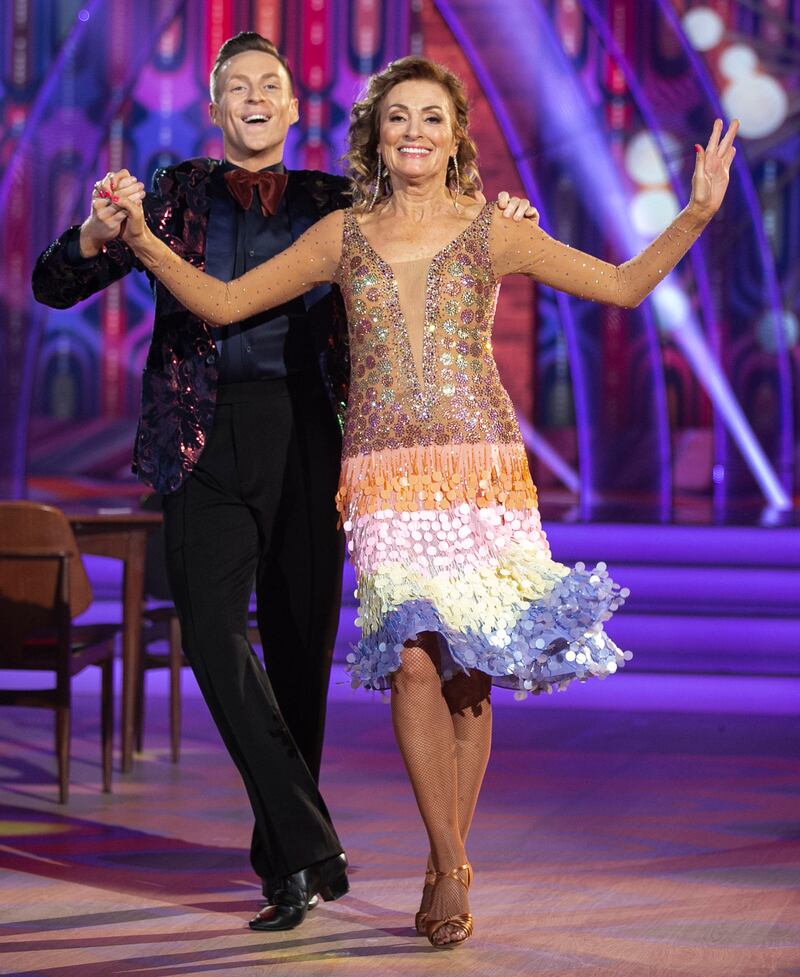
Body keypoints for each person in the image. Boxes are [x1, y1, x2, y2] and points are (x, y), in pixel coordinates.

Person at [100, 54, 739, 948]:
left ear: (454, 137)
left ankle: (448, 866)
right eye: (397, 118)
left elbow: (624, 285)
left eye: (430, 119)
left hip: (480, 477)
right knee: (408, 658)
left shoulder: (495, 231)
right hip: (384, 479)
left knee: (467, 680)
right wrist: (142, 238)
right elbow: (224, 298)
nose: (413, 133)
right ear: (376, 134)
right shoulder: (341, 235)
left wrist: (699, 211)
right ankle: (448, 854)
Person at [32, 35, 536, 930]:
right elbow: (54, 284)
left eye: (272, 85)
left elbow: (434, 218)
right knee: (214, 636)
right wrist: (96, 232)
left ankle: (287, 867)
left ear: (296, 108)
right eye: (237, 86)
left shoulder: (335, 203)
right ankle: (311, 837)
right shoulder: (174, 193)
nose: (255, 97)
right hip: (198, 439)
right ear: (216, 106)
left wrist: (503, 214)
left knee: (300, 656)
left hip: (310, 436)